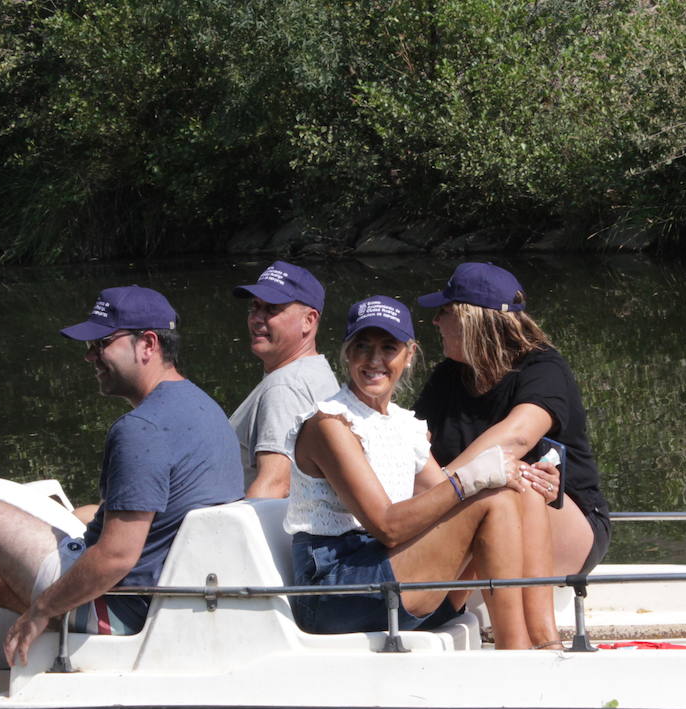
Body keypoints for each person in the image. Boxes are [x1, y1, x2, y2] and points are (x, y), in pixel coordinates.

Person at [0, 285, 243, 692]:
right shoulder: (206, 408)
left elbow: (117, 556)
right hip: (163, 594)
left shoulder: (142, 430)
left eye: (102, 344)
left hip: (118, 606)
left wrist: (40, 611)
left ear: (147, 344)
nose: (90, 357)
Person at [284, 295, 547, 649]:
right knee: (493, 501)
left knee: (516, 494)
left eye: (388, 347)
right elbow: (388, 527)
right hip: (335, 591)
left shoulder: (404, 425)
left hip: (384, 578)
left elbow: (451, 506)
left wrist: (521, 475)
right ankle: (516, 656)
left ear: (409, 355)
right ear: (346, 353)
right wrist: (470, 478)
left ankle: (546, 643)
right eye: (362, 346)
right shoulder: (330, 425)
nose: (374, 360)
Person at [413, 262, 611, 650]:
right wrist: (440, 495)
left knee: (514, 481)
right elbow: (415, 448)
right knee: (499, 487)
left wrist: (442, 492)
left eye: (444, 312)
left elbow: (517, 437)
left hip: (568, 520)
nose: (435, 322)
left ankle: (540, 642)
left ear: (472, 320)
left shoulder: (543, 368)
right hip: (479, 513)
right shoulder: (447, 378)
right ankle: (461, 619)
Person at [228, 261, 339, 498]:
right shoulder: (316, 372)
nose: (257, 318)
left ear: (309, 320)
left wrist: (233, 534)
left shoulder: (285, 388)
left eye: (271, 309)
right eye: (255, 307)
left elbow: (276, 485)